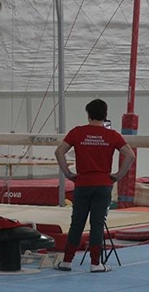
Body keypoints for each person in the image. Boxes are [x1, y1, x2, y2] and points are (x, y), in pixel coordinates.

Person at [54, 99, 135, 273]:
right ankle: (95, 263)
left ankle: (67, 261)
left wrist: (68, 173)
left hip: (83, 183)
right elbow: (130, 155)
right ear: (105, 115)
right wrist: (118, 175)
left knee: (77, 223)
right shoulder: (112, 135)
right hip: (103, 184)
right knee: (97, 224)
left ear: (88, 114)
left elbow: (59, 151)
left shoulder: (77, 132)